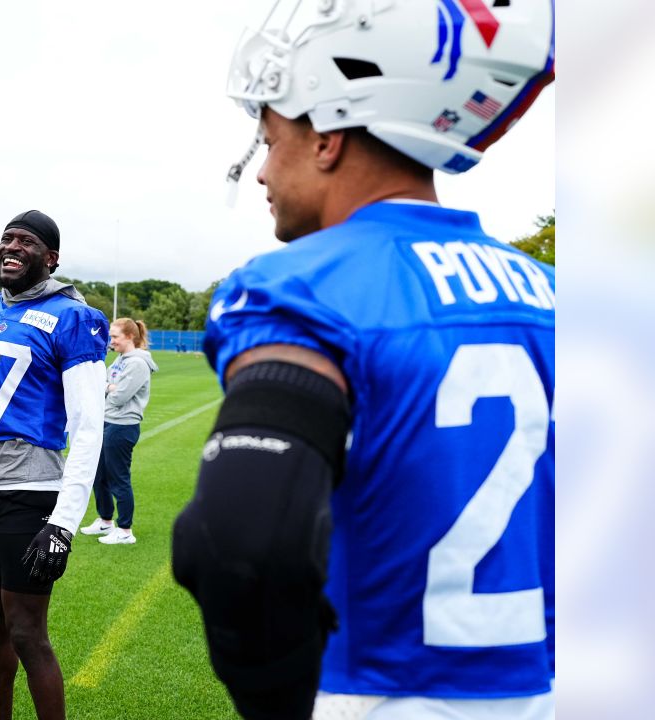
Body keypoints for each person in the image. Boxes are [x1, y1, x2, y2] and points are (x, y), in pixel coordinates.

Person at [172, 3, 555, 720]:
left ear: (326, 136)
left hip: (382, 689)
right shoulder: (556, 297)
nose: (260, 172)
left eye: (268, 135)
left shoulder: (307, 285)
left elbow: (236, 542)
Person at [0, 209, 108, 720]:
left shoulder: (75, 318)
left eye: (25, 242)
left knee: (29, 632)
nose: (11, 247)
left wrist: (63, 525)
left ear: (50, 258)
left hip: (29, 493)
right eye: (6, 238)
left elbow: (88, 426)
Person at [80, 318, 157, 545]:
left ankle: (125, 530)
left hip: (122, 426)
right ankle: (105, 521)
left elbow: (120, 396)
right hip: (107, 420)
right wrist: (109, 387)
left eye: (115, 337)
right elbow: (104, 384)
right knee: (99, 475)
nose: (111, 341)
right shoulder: (121, 360)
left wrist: (107, 388)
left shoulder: (138, 363)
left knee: (118, 478)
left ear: (130, 337)